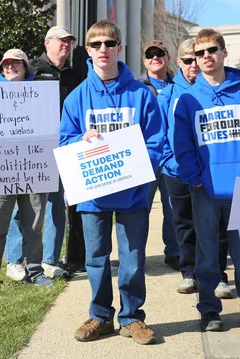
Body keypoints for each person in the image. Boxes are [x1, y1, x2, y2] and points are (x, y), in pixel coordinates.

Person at [59, 20, 163, 344]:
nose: (103, 49)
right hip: (93, 195)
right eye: (96, 44)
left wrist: (139, 168)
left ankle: (132, 318)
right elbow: (64, 143)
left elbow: (158, 142)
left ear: (120, 47)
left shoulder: (142, 96)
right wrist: (80, 139)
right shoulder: (76, 98)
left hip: (132, 195)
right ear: (88, 51)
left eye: (109, 43)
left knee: (132, 259)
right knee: (96, 258)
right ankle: (100, 316)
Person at [173, 29, 240, 332]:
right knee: (206, 257)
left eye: (212, 50)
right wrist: (194, 176)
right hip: (205, 188)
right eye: (200, 52)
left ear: (224, 52)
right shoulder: (188, 98)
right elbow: (183, 144)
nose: (206, 56)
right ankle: (208, 311)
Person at [0, 48, 54, 291]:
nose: (10, 67)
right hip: (1, 169)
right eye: (6, 64)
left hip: (34, 169)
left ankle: (35, 271)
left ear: (26, 66)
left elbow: (51, 124)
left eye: (16, 63)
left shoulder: (40, 93)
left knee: (34, 224)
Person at [5, 26, 80, 281]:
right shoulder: (33, 68)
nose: (66, 45)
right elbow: (9, 93)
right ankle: (14, 260)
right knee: (22, 204)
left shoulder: (76, 72)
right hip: (33, 147)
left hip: (65, 147)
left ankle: (49, 259)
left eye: (69, 41)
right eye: (62, 41)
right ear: (48, 42)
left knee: (57, 204)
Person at [158, 39, 200, 294]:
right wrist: (174, 163)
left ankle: (215, 274)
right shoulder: (166, 95)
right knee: (183, 224)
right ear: (178, 62)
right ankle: (189, 273)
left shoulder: (212, 90)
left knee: (211, 225)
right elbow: (159, 136)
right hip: (177, 172)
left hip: (208, 172)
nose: (193, 64)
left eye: (196, 58)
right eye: (187, 59)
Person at [138, 40, 179, 270]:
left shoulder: (179, 85)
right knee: (139, 208)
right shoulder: (136, 87)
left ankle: (174, 253)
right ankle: (136, 254)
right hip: (146, 157)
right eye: (150, 55)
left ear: (168, 58)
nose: (155, 58)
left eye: (160, 54)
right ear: (144, 61)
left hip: (173, 158)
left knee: (173, 207)